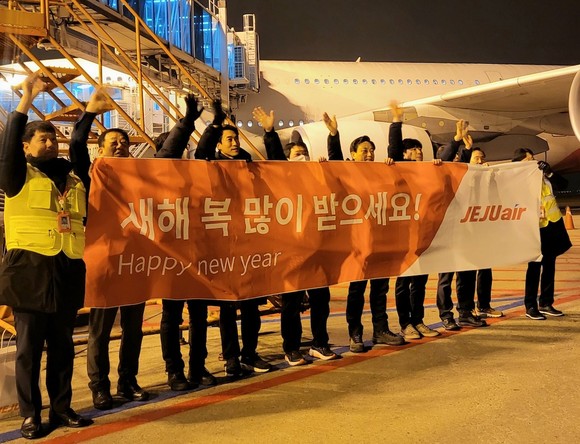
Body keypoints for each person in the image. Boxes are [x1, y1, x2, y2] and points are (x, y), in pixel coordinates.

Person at [0, 73, 92, 439]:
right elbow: (7, 148)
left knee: (63, 348)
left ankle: (62, 407)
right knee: (28, 350)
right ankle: (30, 415)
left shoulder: (74, 178)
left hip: (66, 269)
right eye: (43, 138)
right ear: (25, 146)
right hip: (29, 272)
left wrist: (89, 115)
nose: (51, 142)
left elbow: (81, 149)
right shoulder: (16, 176)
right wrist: (25, 100)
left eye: (54, 137)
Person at [68, 87, 150, 410]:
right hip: (104, 262)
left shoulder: (141, 179)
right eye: (113, 141)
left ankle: (128, 381)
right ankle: (99, 387)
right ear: (99, 150)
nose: (120, 145)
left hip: (136, 262)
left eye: (124, 142)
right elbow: (76, 146)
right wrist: (89, 113)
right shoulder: (91, 177)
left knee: (133, 329)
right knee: (100, 331)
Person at [252, 106, 339, 365]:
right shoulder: (284, 179)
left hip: (317, 250)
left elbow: (339, 169)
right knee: (291, 303)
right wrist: (269, 131)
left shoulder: (316, 179)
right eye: (297, 154)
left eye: (304, 154)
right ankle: (291, 348)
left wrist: (333, 136)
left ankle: (320, 343)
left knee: (321, 300)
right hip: (292, 252)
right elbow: (277, 160)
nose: (302, 157)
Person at [195, 101, 272, 376]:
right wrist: (216, 124)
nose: (235, 142)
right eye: (228, 139)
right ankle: (231, 358)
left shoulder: (249, 166)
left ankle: (250, 353)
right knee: (228, 308)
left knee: (251, 306)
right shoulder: (211, 164)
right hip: (224, 246)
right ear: (219, 144)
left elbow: (279, 169)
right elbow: (201, 152)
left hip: (249, 244)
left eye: (236, 138)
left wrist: (269, 133)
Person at [324, 112, 405, 352]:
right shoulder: (348, 172)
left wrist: (396, 127)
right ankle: (355, 333)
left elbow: (398, 161)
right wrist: (333, 134)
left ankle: (381, 330)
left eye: (371, 150)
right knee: (357, 290)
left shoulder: (382, 171)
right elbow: (335, 162)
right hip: (357, 243)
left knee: (380, 289)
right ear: (353, 155)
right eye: (364, 150)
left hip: (380, 241)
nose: (369, 154)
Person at [153, 95, 218, 390]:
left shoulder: (193, 175)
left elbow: (202, 153)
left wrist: (214, 125)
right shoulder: (158, 173)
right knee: (171, 317)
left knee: (199, 316)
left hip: (198, 256)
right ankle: (174, 371)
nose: (184, 155)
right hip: (170, 258)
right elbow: (169, 153)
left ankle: (197, 367)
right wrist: (188, 121)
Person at [386, 101, 441, 340]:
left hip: (423, 234)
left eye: (420, 148)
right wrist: (396, 122)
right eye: (415, 149)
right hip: (404, 236)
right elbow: (394, 150)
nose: (419, 152)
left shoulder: (427, 170)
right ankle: (405, 323)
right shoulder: (401, 168)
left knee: (420, 281)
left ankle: (418, 320)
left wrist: (441, 162)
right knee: (404, 282)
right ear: (406, 153)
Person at [436, 120, 489, 328]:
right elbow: (447, 160)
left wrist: (467, 149)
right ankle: (446, 315)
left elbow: (463, 167)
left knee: (467, 274)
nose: (456, 160)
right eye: (453, 157)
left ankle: (465, 311)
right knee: (446, 277)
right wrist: (456, 139)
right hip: (445, 233)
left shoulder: (461, 176)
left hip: (465, 232)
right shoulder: (440, 174)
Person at [512, 148, 572, 319]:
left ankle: (546, 302)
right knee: (534, 267)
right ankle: (530, 305)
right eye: (528, 160)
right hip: (534, 228)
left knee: (550, 265)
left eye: (533, 158)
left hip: (552, 224)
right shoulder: (517, 181)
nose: (533, 162)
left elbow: (564, 185)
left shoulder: (543, 175)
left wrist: (549, 172)